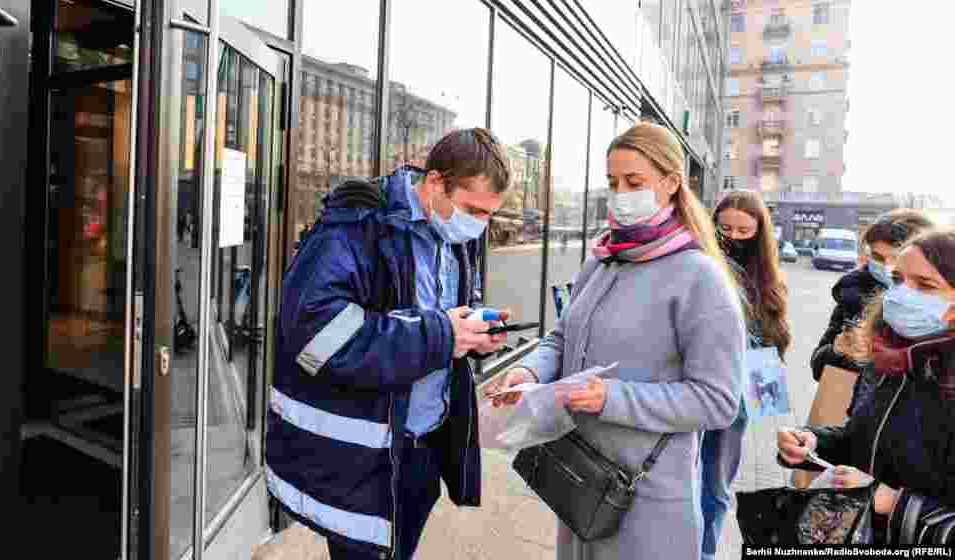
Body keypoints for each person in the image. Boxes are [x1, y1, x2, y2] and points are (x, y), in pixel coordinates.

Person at [488, 121, 745, 559]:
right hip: (578, 479)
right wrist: (529, 369)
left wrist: (612, 397)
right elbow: (562, 336)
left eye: (634, 182)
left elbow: (718, 400)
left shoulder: (699, 279)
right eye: (612, 182)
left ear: (670, 184)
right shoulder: (603, 260)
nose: (620, 193)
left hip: (647, 501)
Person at [265, 128, 513, 560]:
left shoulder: (455, 236)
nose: (481, 226)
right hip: (366, 457)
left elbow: (444, 314)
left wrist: (472, 332)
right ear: (436, 182)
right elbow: (316, 337)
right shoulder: (354, 226)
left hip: (424, 447)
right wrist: (441, 334)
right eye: (475, 210)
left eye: (490, 215)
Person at [779, 228, 955, 545]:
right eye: (899, 280)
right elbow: (864, 441)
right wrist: (813, 444)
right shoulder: (887, 359)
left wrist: (893, 502)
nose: (902, 294)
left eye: (925, 285)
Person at [700, 190, 792, 560]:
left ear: (759, 233)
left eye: (744, 230)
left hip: (735, 402)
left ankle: (704, 553)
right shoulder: (699, 262)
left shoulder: (768, 277)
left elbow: (774, 340)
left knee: (715, 487)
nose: (734, 238)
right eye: (725, 228)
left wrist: (767, 398)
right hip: (693, 387)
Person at [810, 210, 935, 387]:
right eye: (878, 257)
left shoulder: (940, 304)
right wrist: (838, 350)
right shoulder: (853, 293)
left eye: (897, 257)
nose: (887, 266)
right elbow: (818, 368)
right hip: (855, 407)